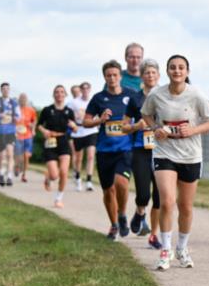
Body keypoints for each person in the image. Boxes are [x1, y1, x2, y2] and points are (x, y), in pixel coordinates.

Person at [137, 54, 209, 270]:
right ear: (167, 71)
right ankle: (166, 250)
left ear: (187, 71)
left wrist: (192, 130)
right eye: (173, 67)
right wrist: (156, 128)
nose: (177, 71)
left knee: (186, 206)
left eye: (181, 68)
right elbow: (145, 114)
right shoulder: (157, 94)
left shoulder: (197, 95)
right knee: (167, 201)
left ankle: (182, 247)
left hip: (191, 155)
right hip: (165, 153)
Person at [83, 61, 137, 240]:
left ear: (120, 76)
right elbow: (86, 121)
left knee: (121, 182)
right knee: (108, 191)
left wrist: (135, 126)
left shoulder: (131, 96)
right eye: (108, 75)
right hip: (104, 150)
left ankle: (122, 214)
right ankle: (114, 224)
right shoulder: (99, 98)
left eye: (115, 75)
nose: (112, 78)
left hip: (125, 149)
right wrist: (100, 120)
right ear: (104, 77)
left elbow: (142, 116)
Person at [123, 59, 163, 247]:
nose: (150, 76)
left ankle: (154, 235)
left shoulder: (166, 96)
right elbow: (123, 127)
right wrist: (136, 126)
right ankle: (140, 213)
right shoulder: (135, 99)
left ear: (159, 76)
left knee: (159, 196)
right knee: (143, 195)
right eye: (147, 72)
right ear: (141, 76)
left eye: (153, 72)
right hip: (140, 150)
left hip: (162, 149)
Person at [37, 85, 78, 208]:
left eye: (61, 92)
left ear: (65, 95)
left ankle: (58, 198)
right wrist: (44, 131)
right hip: (50, 141)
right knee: (55, 175)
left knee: (64, 172)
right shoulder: (47, 110)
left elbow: (75, 129)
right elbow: (39, 125)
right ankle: (48, 177)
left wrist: (74, 126)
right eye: (57, 92)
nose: (59, 94)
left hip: (63, 140)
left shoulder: (69, 112)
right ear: (53, 95)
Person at [69, 81, 98, 191]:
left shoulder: (94, 101)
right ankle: (77, 178)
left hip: (91, 131)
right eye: (83, 88)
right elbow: (67, 115)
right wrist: (71, 122)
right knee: (78, 158)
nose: (85, 90)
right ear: (80, 90)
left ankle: (89, 181)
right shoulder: (73, 103)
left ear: (90, 89)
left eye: (87, 88)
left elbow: (99, 114)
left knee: (91, 156)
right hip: (78, 131)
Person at [14, 93, 37, 182]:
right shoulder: (15, 110)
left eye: (24, 98)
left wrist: (33, 128)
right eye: (21, 98)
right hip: (17, 136)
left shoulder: (31, 110)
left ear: (26, 100)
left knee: (26, 156)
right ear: (19, 100)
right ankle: (17, 166)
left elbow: (34, 121)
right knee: (18, 155)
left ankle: (24, 175)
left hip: (28, 135)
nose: (23, 100)